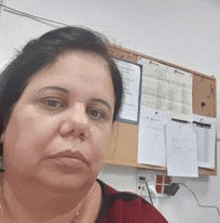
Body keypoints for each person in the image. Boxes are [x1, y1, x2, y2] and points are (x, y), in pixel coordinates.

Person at [0, 26, 168, 223]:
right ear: (4, 122)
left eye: (96, 113)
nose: (81, 123)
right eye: (52, 102)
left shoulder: (137, 219)